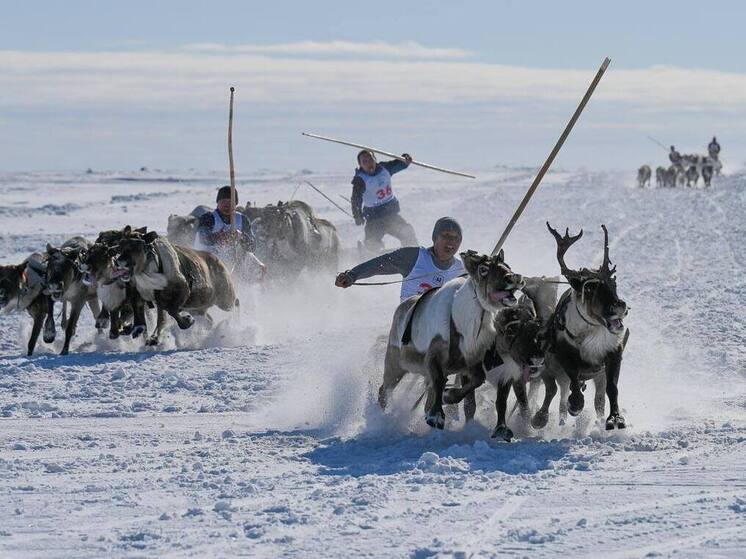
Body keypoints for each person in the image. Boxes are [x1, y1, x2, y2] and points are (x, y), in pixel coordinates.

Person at [335, 217, 464, 301]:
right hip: (411, 326)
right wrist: (352, 275)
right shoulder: (414, 257)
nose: (451, 241)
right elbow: (379, 264)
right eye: (446, 236)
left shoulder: (463, 270)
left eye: (456, 238)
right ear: (435, 237)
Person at [351, 150, 418, 252]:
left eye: (371, 159)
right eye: (365, 161)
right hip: (374, 220)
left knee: (407, 232)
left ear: (375, 160)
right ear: (360, 165)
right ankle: (373, 259)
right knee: (371, 243)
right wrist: (357, 215)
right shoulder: (360, 180)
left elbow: (398, 164)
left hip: (391, 216)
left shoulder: (384, 168)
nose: (369, 163)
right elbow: (356, 199)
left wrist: (405, 159)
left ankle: (414, 254)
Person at [194, 185, 256, 261]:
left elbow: (252, 246)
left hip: (233, 264)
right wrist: (218, 237)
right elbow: (202, 238)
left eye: (230, 202)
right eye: (223, 201)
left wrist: (241, 236)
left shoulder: (242, 220)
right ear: (217, 203)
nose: (226, 205)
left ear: (236, 204)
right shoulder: (208, 218)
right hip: (206, 263)